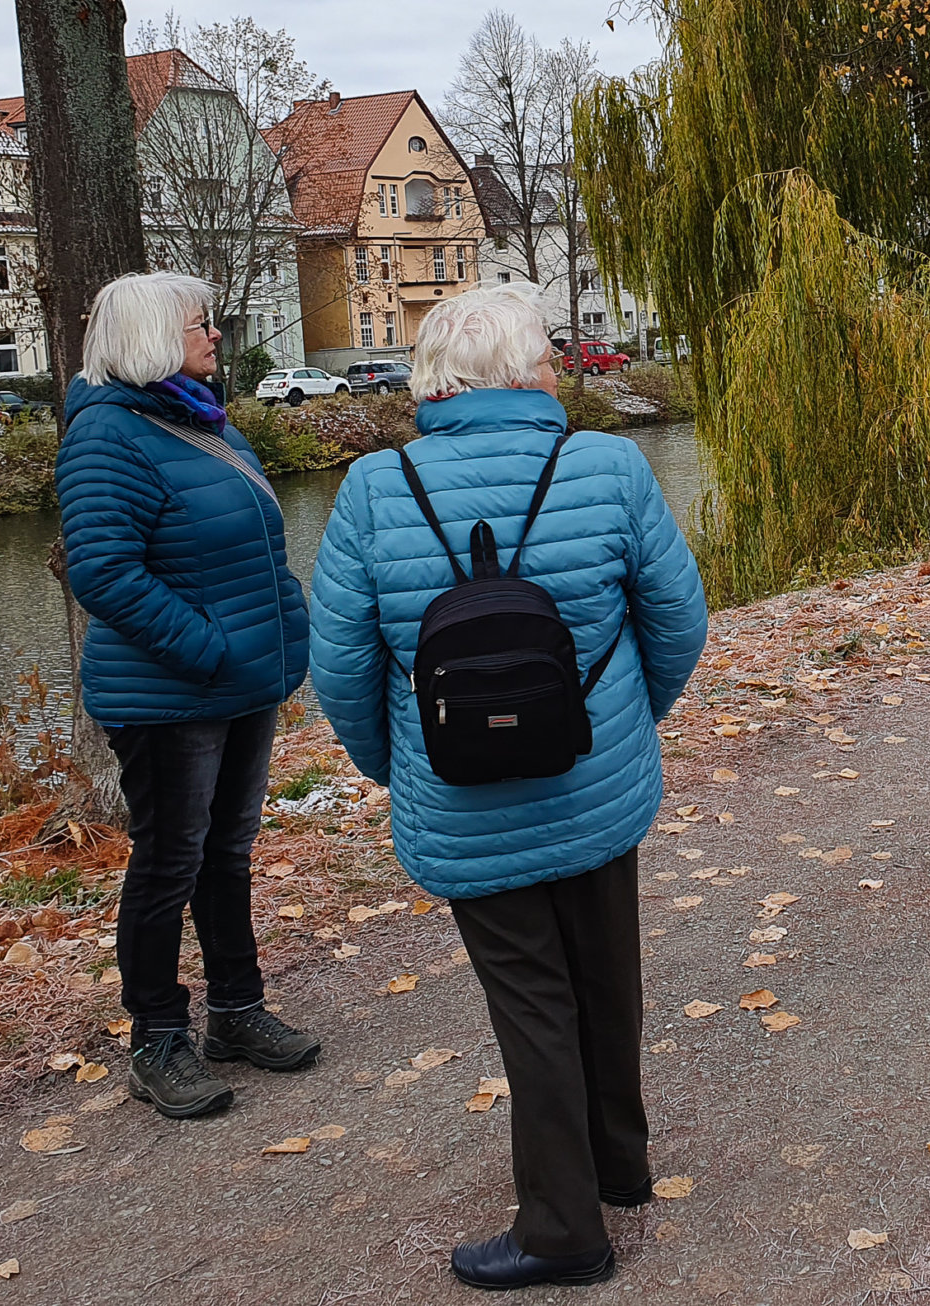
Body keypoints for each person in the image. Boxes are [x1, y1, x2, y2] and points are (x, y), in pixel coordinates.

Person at [310, 285, 709, 1292]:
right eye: (544, 357)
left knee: (532, 1002)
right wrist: (622, 722)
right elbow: (677, 620)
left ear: (438, 378)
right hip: (596, 779)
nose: (552, 372)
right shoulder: (606, 465)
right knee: (606, 977)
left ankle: (563, 1228)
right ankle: (617, 1170)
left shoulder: (372, 489)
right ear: (519, 372)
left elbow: (345, 671)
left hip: (461, 796)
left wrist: (396, 764)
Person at [55, 273, 316, 1120]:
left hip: (239, 681)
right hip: (172, 693)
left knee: (226, 852)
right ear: (152, 340)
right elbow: (103, 570)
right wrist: (208, 649)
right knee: (169, 861)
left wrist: (277, 634)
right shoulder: (107, 435)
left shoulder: (199, 419)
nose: (213, 334)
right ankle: (157, 1038)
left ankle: (235, 1014)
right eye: (199, 323)